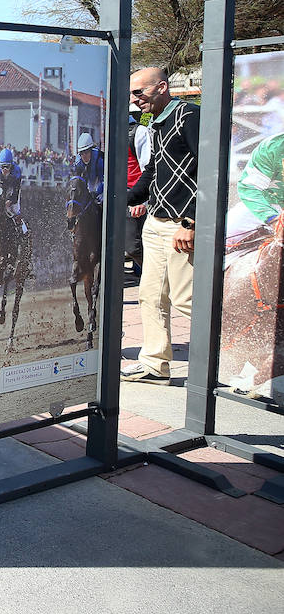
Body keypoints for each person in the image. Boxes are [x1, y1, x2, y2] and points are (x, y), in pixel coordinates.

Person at [123, 67, 200, 384]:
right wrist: (123, 200)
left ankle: (251, 357)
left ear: (162, 87)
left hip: (181, 225)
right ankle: (154, 364)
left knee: (186, 299)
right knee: (150, 295)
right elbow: (153, 170)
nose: (134, 99)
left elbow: (211, 166)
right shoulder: (154, 122)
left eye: (138, 92)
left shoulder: (189, 115)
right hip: (156, 221)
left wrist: (192, 220)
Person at [225, 131, 284, 250]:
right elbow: (250, 187)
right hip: (268, 207)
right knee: (223, 234)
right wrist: (274, 220)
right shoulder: (273, 146)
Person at [126, 113, 152, 278]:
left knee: (133, 246)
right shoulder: (110, 133)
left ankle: (155, 277)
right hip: (117, 195)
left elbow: (148, 168)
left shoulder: (139, 132)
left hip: (133, 195)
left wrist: (143, 201)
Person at [0, 148, 28, 235]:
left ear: (11, 165)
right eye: (3, 167)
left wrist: (10, 200)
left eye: (7, 167)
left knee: (14, 210)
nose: (5, 170)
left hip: (13, 189)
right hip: (2, 188)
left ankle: (24, 231)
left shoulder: (17, 171)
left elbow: (16, 190)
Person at [71, 132, 105, 204]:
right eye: (81, 153)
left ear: (91, 150)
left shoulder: (99, 160)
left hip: (100, 185)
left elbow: (103, 181)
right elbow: (77, 180)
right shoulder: (78, 162)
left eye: (86, 152)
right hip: (89, 184)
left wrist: (96, 192)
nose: (84, 156)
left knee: (101, 200)